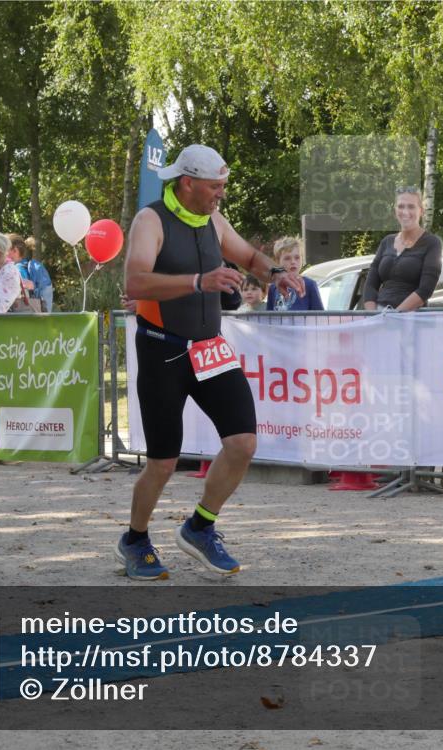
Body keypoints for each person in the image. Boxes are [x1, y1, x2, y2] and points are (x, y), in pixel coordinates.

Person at [121, 143, 305, 580]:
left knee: (243, 443)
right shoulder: (151, 220)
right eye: (214, 187)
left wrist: (275, 273)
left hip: (208, 348)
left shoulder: (213, 219)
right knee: (163, 462)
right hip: (163, 349)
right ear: (188, 183)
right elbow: (135, 281)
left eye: (223, 186)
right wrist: (198, 281)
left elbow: (249, 256)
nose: (221, 194)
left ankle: (200, 527)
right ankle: (135, 538)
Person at [362, 187, 442, 311]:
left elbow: (425, 289)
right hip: (379, 315)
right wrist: (373, 316)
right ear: (395, 211)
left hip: (411, 318)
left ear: (421, 211)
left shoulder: (432, 243)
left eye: (411, 207)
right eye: (401, 206)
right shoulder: (386, 241)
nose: (405, 211)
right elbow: (370, 285)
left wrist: (394, 316)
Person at [265, 237, 324, 311]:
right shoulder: (273, 287)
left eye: (297, 257)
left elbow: (319, 315)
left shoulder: (310, 285)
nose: (293, 262)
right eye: (287, 258)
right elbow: (269, 316)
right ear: (277, 261)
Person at [6, 233, 54, 312]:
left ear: (15, 250)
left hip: (24, 312)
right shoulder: (32, 265)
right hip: (38, 311)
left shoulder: (18, 269)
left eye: (4, 250)